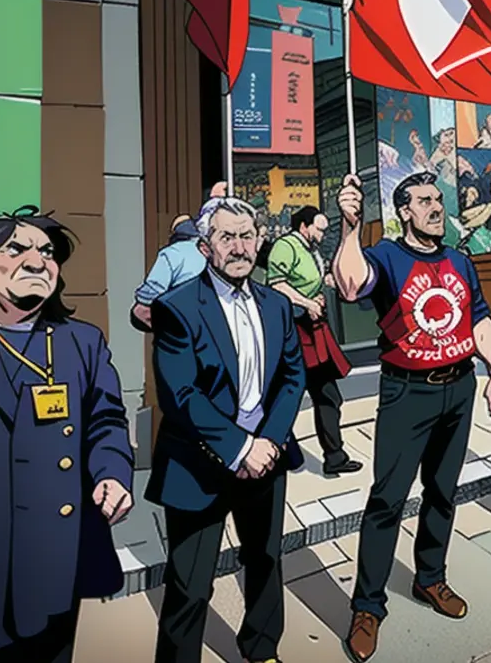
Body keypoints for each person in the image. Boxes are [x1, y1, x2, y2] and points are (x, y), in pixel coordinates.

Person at [331, 172, 491, 663]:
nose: (436, 207)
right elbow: (349, 287)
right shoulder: (387, 255)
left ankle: (431, 578)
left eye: (438, 199)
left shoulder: (459, 259)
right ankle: (368, 606)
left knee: (443, 492)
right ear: (404, 211)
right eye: (424, 201)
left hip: (459, 388)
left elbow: (479, 317)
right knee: (387, 499)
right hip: (407, 393)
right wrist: (350, 228)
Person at [147, 196, 307, 663]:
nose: (239, 247)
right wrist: (240, 449)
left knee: (265, 562)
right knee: (190, 585)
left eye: (247, 235)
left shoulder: (277, 304)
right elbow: (181, 395)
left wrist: (269, 443)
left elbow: (292, 376)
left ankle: (262, 650)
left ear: (259, 241)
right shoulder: (176, 308)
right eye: (226, 237)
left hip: (267, 459)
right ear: (204, 247)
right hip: (200, 465)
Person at [0, 208, 134, 663]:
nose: (36, 260)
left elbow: (106, 418)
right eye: (16, 249)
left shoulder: (81, 341)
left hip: (56, 551)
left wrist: (112, 473)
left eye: (46, 252)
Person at [266, 205, 361, 477]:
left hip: (313, 329)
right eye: (319, 228)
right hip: (294, 332)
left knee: (327, 395)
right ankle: (283, 452)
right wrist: (307, 302)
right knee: (288, 396)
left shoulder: (311, 250)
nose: (322, 234)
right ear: (304, 226)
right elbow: (278, 285)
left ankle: (334, 456)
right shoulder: (286, 246)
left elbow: (313, 280)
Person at [132, 214, 206, 332]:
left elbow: (155, 287)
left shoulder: (171, 253)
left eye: (148, 320)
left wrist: (143, 298)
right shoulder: (211, 245)